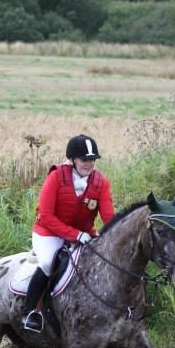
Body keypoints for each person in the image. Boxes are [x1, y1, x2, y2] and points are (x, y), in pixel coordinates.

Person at [22, 134, 115, 332]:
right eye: (84, 160)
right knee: (48, 263)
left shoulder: (101, 183)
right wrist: (75, 235)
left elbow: (109, 217)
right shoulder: (56, 177)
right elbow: (45, 215)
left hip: (83, 234)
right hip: (48, 233)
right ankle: (30, 312)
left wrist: (114, 233)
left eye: (92, 160)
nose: (89, 164)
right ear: (73, 160)